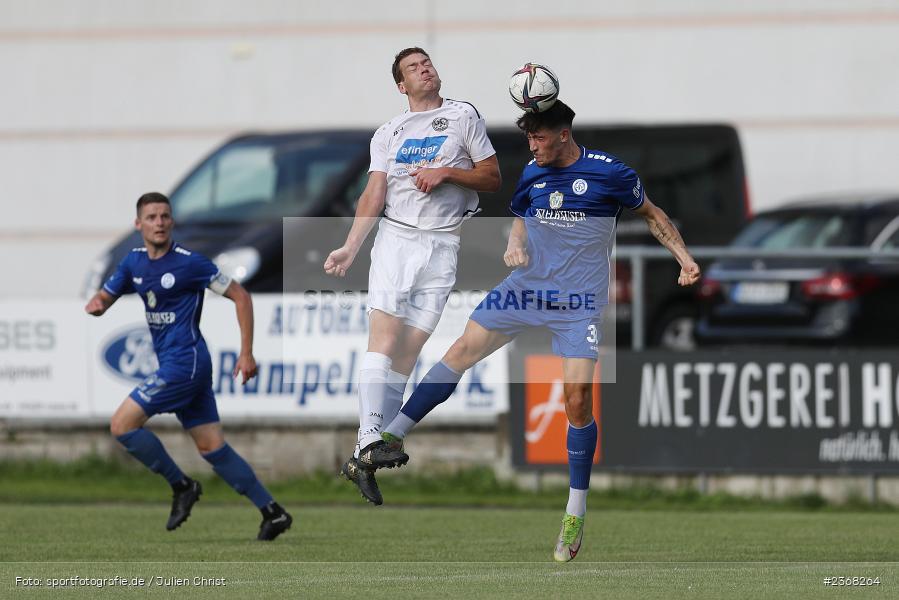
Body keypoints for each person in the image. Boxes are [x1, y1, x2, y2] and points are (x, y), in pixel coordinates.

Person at [369, 100, 701, 560]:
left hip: (579, 305)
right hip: (526, 288)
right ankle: (391, 436)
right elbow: (522, 212)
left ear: (564, 134)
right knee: (462, 349)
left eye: (539, 137)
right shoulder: (532, 172)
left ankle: (575, 510)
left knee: (577, 400)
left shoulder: (610, 173)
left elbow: (653, 215)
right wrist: (515, 243)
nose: (533, 146)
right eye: (529, 138)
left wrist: (684, 260)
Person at [323, 47, 501, 505]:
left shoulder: (463, 117)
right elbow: (373, 193)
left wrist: (446, 172)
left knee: (411, 346)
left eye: (427, 63)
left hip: (444, 245)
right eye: (413, 68)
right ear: (401, 85)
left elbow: (493, 177)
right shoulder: (388, 133)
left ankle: (368, 451)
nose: (425, 70)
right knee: (382, 339)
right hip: (398, 241)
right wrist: (349, 245)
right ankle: (368, 437)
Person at [85, 192, 292, 541]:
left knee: (122, 425)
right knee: (212, 447)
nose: (159, 222)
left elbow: (240, 296)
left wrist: (247, 353)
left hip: (187, 363)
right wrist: (98, 303)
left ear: (172, 222)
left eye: (165, 216)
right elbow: (106, 296)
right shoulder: (132, 263)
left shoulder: (190, 263)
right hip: (178, 363)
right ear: (138, 225)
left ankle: (182, 486)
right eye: (151, 217)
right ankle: (273, 512)